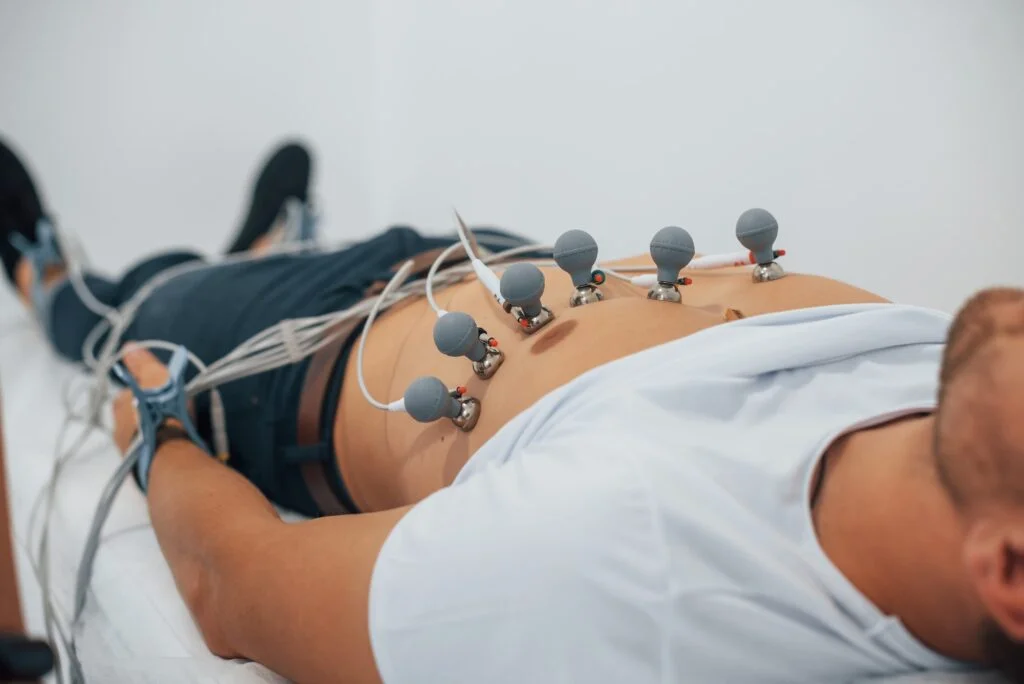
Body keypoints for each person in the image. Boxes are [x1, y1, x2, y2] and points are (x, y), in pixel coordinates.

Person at [1, 135, 1021, 684]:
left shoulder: (626, 566)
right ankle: (272, 237)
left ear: (1008, 570)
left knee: (137, 297)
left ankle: (45, 271)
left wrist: (156, 434)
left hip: (307, 349)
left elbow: (233, 584)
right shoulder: (952, 378)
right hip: (484, 259)